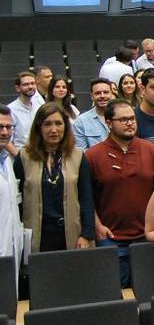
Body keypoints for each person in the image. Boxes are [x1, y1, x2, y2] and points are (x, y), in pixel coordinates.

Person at [87, 99, 154, 287]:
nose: (130, 123)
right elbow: (87, 198)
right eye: (124, 119)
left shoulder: (151, 150)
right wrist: (97, 226)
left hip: (147, 236)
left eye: (132, 119)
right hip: (111, 238)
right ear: (109, 123)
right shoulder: (92, 156)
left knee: (149, 290)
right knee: (117, 293)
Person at [14, 103, 95, 252]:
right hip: (37, 236)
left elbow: (86, 199)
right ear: (39, 127)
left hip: (72, 234)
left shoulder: (77, 156)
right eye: (47, 124)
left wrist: (87, 234)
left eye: (58, 123)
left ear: (65, 126)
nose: (53, 130)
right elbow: (16, 200)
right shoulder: (24, 157)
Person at [0, 105, 25, 271]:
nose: (5, 132)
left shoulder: (7, 161)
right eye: (0, 127)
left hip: (11, 247)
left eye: (9, 127)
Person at [8, 71, 46, 151]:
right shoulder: (10, 110)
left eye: (32, 83)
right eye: (26, 84)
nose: (30, 86)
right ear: (18, 88)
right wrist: (18, 158)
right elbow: (7, 141)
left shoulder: (40, 105)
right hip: (20, 154)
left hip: (40, 153)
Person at [73, 78, 113, 150]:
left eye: (106, 92)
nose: (102, 96)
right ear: (92, 96)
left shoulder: (122, 117)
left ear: (111, 94)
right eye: (97, 93)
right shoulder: (81, 122)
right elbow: (81, 152)